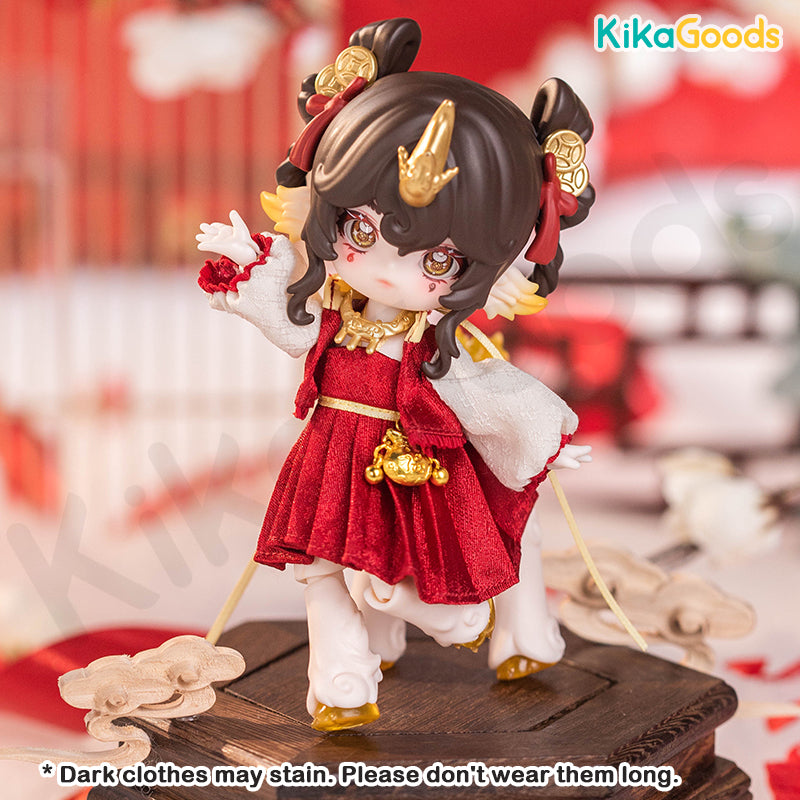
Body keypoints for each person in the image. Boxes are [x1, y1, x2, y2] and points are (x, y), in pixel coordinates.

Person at [197, 17, 593, 731]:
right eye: (360, 227)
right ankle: (342, 680)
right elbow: (292, 328)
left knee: (401, 571)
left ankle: (450, 622)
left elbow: (482, 390)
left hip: (408, 463)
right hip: (328, 453)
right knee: (317, 567)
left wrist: (544, 433)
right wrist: (250, 267)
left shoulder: (432, 343)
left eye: (439, 260)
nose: (385, 267)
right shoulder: (336, 315)